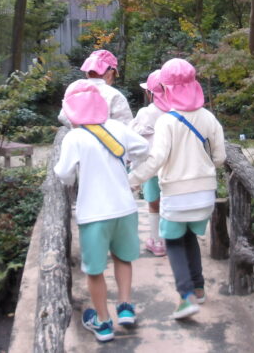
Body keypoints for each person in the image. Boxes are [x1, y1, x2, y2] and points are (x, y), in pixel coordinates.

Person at [127, 58, 226, 320]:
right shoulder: (209, 118)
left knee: (172, 241)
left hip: (177, 195)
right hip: (205, 195)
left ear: (167, 89)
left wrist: (132, 179)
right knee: (188, 237)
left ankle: (186, 296)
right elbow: (219, 158)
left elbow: (156, 160)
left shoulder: (167, 121)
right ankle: (199, 288)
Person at [54, 79, 149, 342]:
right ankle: (125, 307)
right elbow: (144, 148)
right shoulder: (117, 127)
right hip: (125, 209)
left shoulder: (74, 137)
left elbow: (64, 174)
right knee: (123, 258)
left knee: (94, 271)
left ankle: (104, 322)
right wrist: (127, 162)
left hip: (94, 214)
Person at [129, 69, 170, 257]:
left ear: (149, 92)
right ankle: (173, 240)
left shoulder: (146, 112)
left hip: (151, 167)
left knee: (154, 204)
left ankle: (158, 241)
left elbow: (133, 136)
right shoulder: (180, 112)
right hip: (172, 167)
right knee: (170, 204)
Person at [58, 49, 133, 127]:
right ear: (110, 74)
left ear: (87, 72)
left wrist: (78, 127)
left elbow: (62, 116)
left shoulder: (75, 88)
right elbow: (125, 125)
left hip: (76, 134)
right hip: (105, 134)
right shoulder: (114, 95)